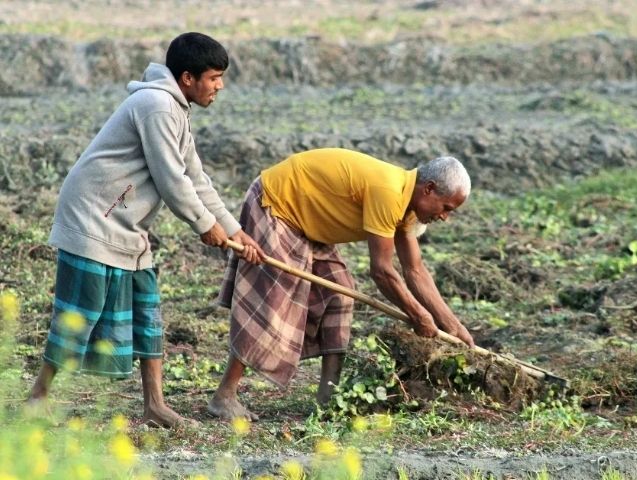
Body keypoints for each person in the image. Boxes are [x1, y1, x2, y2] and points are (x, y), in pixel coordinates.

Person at [27, 32, 262, 427]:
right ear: (188, 77)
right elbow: (172, 181)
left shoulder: (176, 109)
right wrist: (205, 228)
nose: (219, 86)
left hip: (127, 223)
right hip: (95, 217)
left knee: (148, 312)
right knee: (79, 313)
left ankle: (155, 405)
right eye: (214, 77)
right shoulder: (156, 105)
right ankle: (38, 397)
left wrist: (234, 230)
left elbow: (196, 177)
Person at [207, 148, 476, 421]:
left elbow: (415, 270)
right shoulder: (389, 191)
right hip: (276, 204)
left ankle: (328, 396)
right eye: (446, 208)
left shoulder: (408, 206)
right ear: (428, 189)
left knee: (339, 293)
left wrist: (453, 326)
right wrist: (418, 315)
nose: (445, 217)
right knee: (274, 298)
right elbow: (382, 271)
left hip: (308, 221)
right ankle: (224, 395)